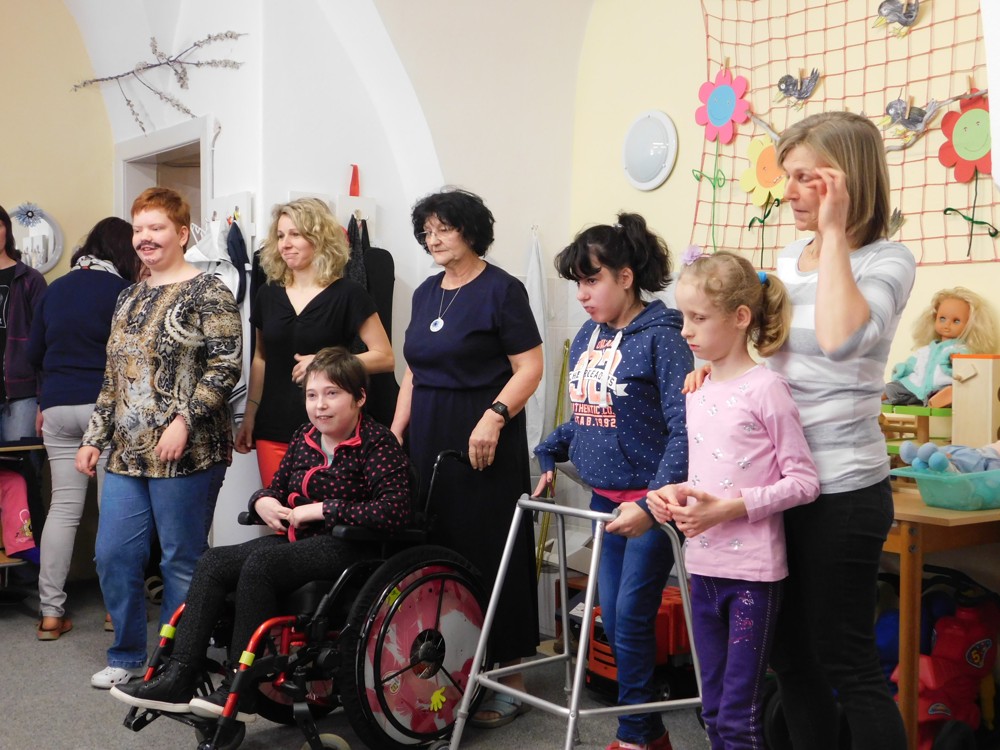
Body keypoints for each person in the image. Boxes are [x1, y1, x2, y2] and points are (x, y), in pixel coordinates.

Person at [688, 111, 916, 749]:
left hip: (843, 489)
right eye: (785, 176)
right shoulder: (790, 258)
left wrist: (836, 231)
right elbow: (760, 346)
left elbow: (841, 340)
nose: (786, 192)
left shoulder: (889, 260)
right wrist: (716, 369)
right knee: (789, 657)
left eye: (802, 177)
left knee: (846, 660)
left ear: (845, 180)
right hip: (780, 484)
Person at [109, 347, 412, 720]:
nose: (320, 405)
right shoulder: (305, 436)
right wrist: (262, 502)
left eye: (332, 394)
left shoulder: (377, 442)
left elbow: (395, 510)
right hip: (299, 542)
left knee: (262, 563)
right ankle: (180, 673)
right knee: (214, 560)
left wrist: (323, 509)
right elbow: (276, 488)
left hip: (350, 547)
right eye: (312, 395)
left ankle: (241, 687)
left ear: (359, 397)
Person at [646, 250, 819, 749]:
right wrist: (672, 494)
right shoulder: (696, 390)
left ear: (741, 317)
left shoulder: (767, 390)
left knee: (740, 718)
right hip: (701, 570)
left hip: (752, 579)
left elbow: (804, 482)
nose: (685, 331)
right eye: (684, 317)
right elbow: (708, 473)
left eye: (699, 318)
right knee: (714, 712)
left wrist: (730, 508)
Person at [533, 213, 689, 750]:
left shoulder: (664, 338)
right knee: (614, 620)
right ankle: (650, 733)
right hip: (604, 502)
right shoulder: (589, 335)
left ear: (626, 277)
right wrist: (550, 450)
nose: (582, 294)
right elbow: (589, 416)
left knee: (629, 618)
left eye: (592, 280)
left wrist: (653, 502)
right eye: (577, 282)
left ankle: (636, 734)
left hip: (649, 503)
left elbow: (685, 428)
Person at [76, 187, 242, 689]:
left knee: (180, 561)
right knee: (113, 555)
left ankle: (176, 664)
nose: (145, 238)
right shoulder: (128, 295)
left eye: (156, 227)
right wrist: (94, 437)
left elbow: (225, 365)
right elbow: (114, 378)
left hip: (188, 452)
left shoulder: (209, 290)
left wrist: (185, 420)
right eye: (138, 229)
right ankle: (127, 656)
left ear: (182, 233)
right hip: (128, 454)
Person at [390, 188, 543, 728]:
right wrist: (396, 431)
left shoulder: (503, 290)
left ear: (472, 231)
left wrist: (495, 416)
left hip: (484, 440)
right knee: (440, 550)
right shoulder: (426, 293)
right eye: (427, 231)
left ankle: (512, 678)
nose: (433, 239)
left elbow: (530, 367)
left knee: (491, 550)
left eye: (444, 229)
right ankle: (456, 667)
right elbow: (414, 371)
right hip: (429, 435)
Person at [27, 217, 141, 640]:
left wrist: (46, 399)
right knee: (114, 509)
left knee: (62, 509)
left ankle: (50, 613)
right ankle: (116, 611)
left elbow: (34, 353)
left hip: (56, 406)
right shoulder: (123, 292)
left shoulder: (54, 289)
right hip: (103, 408)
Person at [235, 198, 394, 487]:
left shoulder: (348, 293)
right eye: (280, 236)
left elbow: (384, 357)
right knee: (276, 508)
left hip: (330, 427)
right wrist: (249, 415)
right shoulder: (268, 294)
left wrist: (324, 364)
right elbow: (261, 358)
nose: (285, 244)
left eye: (295, 234)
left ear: (318, 238)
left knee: (321, 511)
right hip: (273, 426)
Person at [884, 286, 997, 405]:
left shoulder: (961, 349)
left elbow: (965, 368)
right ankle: (875, 401)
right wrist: (902, 369)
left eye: (956, 321)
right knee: (891, 387)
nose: (947, 325)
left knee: (953, 391)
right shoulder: (926, 350)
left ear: (970, 325)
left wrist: (955, 361)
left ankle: (938, 401)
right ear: (935, 318)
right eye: (942, 319)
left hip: (940, 387)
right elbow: (913, 364)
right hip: (916, 387)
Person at [0, 205, 47, 443]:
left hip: (22, 393)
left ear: (6, 230)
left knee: (21, 460)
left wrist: (44, 399)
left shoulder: (31, 279)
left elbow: (46, 340)